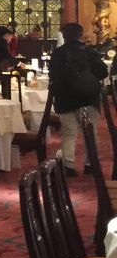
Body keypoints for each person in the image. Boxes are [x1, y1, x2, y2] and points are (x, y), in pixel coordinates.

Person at [48, 22, 107, 176]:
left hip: (65, 97)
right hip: (88, 97)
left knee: (69, 133)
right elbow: (103, 72)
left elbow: (53, 75)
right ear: (80, 35)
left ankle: (68, 166)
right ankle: (90, 164)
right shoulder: (89, 52)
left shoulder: (58, 53)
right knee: (91, 132)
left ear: (64, 36)